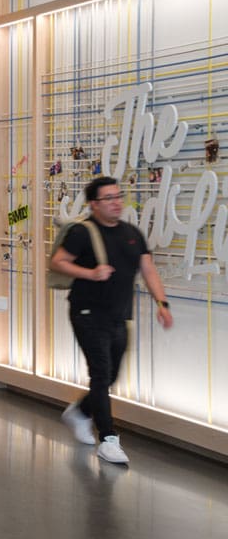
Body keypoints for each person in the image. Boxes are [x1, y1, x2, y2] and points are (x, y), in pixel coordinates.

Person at [50, 176, 172, 465]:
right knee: (101, 374)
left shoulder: (131, 233)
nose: (116, 202)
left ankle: (80, 412)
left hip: (118, 316)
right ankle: (108, 439)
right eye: (108, 198)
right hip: (87, 313)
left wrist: (162, 303)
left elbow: (148, 270)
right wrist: (91, 273)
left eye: (118, 196)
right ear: (94, 204)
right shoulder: (83, 232)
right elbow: (58, 262)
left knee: (111, 376)